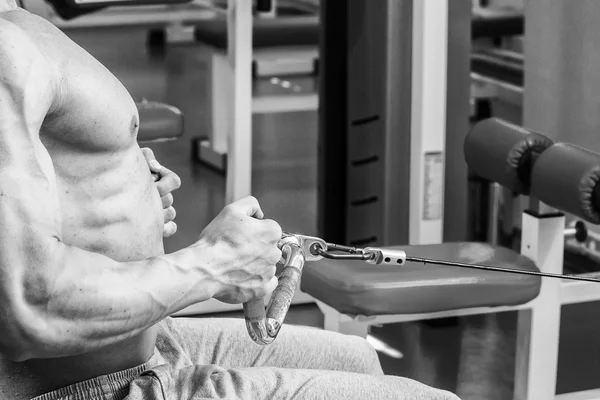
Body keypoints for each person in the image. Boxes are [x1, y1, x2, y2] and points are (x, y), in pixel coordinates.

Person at [0, 2, 460, 399]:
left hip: (145, 342)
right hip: (100, 386)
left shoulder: (18, 24)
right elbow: (31, 308)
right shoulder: (8, 50)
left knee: (357, 357)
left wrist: (121, 189)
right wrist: (217, 263)